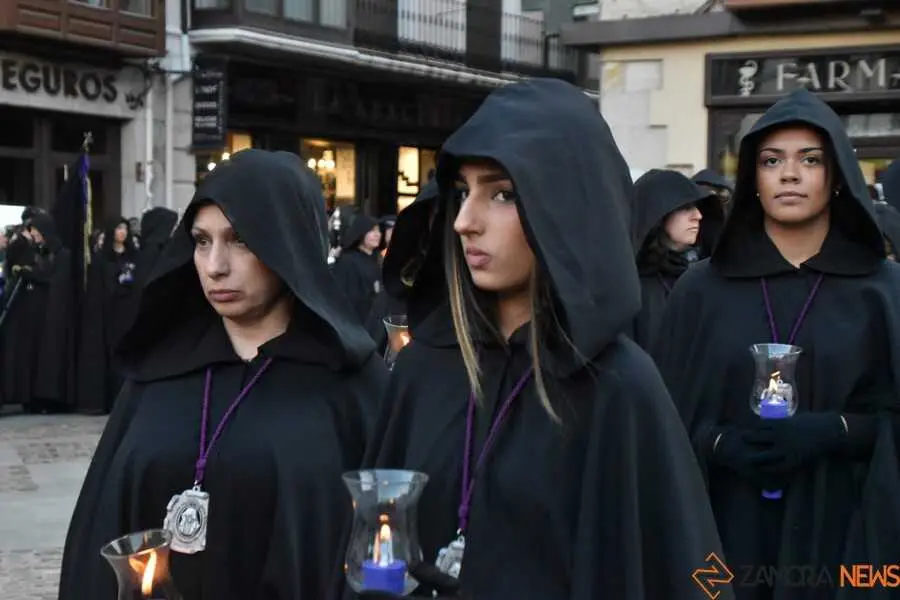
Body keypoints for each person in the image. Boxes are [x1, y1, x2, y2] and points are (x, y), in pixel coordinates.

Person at [363, 79, 728, 600]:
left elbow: (691, 573)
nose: (465, 222)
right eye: (463, 193)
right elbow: (374, 544)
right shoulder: (424, 369)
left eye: (502, 194)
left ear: (566, 207)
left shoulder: (620, 387)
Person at [59, 149, 388, 600]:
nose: (215, 266)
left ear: (290, 244)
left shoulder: (348, 382)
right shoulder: (159, 372)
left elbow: (376, 548)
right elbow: (102, 526)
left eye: (241, 240)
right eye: (200, 240)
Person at [652, 89, 900, 600]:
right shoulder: (700, 290)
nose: (790, 174)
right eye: (772, 161)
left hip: (844, 538)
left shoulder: (884, 289)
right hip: (725, 532)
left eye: (810, 160)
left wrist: (837, 431)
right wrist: (721, 444)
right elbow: (663, 426)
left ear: (835, 178)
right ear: (754, 179)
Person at [631, 169, 721, 350]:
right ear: (659, 213)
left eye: (697, 207)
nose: (698, 216)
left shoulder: (705, 276)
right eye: (685, 207)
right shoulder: (636, 287)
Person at [77, 217, 140, 413]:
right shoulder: (102, 259)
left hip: (129, 312)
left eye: (125, 228)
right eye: (119, 228)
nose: (122, 232)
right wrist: (117, 283)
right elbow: (99, 289)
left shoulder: (133, 255)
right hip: (110, 315)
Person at [332, 210, 383, 323]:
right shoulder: (348, 261)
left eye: (378, 230)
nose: (377, 234)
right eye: (372, 231)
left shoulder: (378, 259)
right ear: (361, 233)